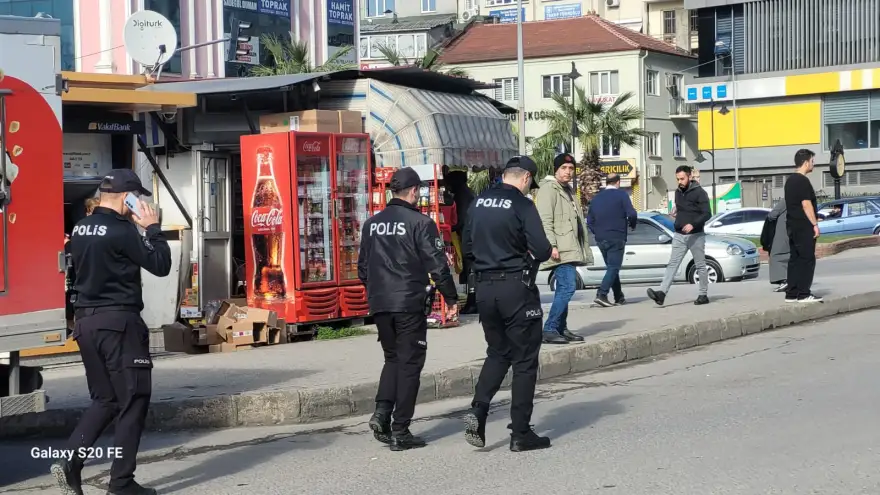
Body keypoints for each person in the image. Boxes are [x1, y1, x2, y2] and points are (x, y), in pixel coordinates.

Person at [51, 169, 171, 495]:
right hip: (119, 324)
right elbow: (160, 264)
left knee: (105, 399)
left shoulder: (81, 227)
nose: (142, 203)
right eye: (138, 197)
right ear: (127, 197)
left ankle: (69, 461)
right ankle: (121, 483)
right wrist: (153, 228)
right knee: (134, 399)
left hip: (86, 324)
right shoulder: (123, 230)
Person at [358, 167, 458, 451]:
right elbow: (437, 266)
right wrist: (451, 299)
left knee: (393, 359)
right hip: (408, 303)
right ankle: (401, 429)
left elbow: (362, 269)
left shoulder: (372, 224)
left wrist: (378, 291)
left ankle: (381, 414)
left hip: (380, 303)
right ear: (414, 191)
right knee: (411, 363)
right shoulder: (420, 222)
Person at [461, 156, 554, 452]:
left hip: (484, 289)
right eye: (530, 184)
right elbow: (541, 249)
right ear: (525, 178)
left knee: (498, 352)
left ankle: (478, 409)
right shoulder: (522, 205)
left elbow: (467, 248)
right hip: (516, 287)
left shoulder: (477, 203)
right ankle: (520, 433)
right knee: (525, 360)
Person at [534, 153, 593, 344]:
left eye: (571, 169)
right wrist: (551, 246)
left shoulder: (567, 190)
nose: (568, 172)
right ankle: (550, 328)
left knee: (564, 287)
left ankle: (560, 327)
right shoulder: (548, 189)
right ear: (555, 169)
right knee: (568, 286)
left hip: (570, 246)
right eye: (564, 168)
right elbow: (545, 221)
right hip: (559, 247)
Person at [647, 165, 712, 306]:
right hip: (679, 235)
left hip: (696, 235)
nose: (680, 182)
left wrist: (693, 224)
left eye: (682, 178)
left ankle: (703, 294)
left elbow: (707, 213)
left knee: (700, 265)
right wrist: (676, 212)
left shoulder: (700, 193)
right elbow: (683, 207)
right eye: (678, 179)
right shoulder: (678, 192)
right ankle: (661, 294)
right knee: (673, 264)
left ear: (690, 176)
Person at [586, 173, 638, 307]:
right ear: (618, 182)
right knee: (614, 267)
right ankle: (601, 294)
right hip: (617, 236)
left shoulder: (596, 198)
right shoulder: (622, 195)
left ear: (606, 182)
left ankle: (619, 296)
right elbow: (632, 213)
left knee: (611, 268)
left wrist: (597, 232)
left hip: (601, 238)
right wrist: (632, 225)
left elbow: (590, 221)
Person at [783, 149, 822, 303]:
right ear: (806, 163)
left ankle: (791, 293)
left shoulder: (790, 181)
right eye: (812, 161)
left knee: (795, 258)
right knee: (807, 258)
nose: (813, 164)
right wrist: (815, 224)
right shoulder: (802, 181)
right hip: (803, 225)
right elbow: (806, 204)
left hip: (792, 224)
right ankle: (804, 293)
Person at [445, 169, 478, 314]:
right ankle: (473, 301)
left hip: (468, 237)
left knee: (470, 269)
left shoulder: (462, 196)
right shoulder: (469, 192)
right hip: (472, 236)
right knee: (471, 269)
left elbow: (461, 220)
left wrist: (449, 226)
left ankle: (472, 302)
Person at [765, 199, 790, 292]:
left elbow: (772, 215)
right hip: (792, 231)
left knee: (775, 256)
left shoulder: (785, 201)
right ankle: (788, 279)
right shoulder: (799, 201)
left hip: (782, 232)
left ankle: (784, 280)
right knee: (788, 255)